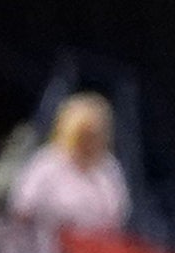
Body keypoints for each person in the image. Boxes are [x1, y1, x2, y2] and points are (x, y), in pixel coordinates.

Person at [8, 91, 132, 234]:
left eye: (93, 136)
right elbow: (21, 208)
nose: (88, 143)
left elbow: (118, 216)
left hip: (91, 248)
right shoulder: (48, 162)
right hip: (43, 244)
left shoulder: (109, 168)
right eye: (83, 136)